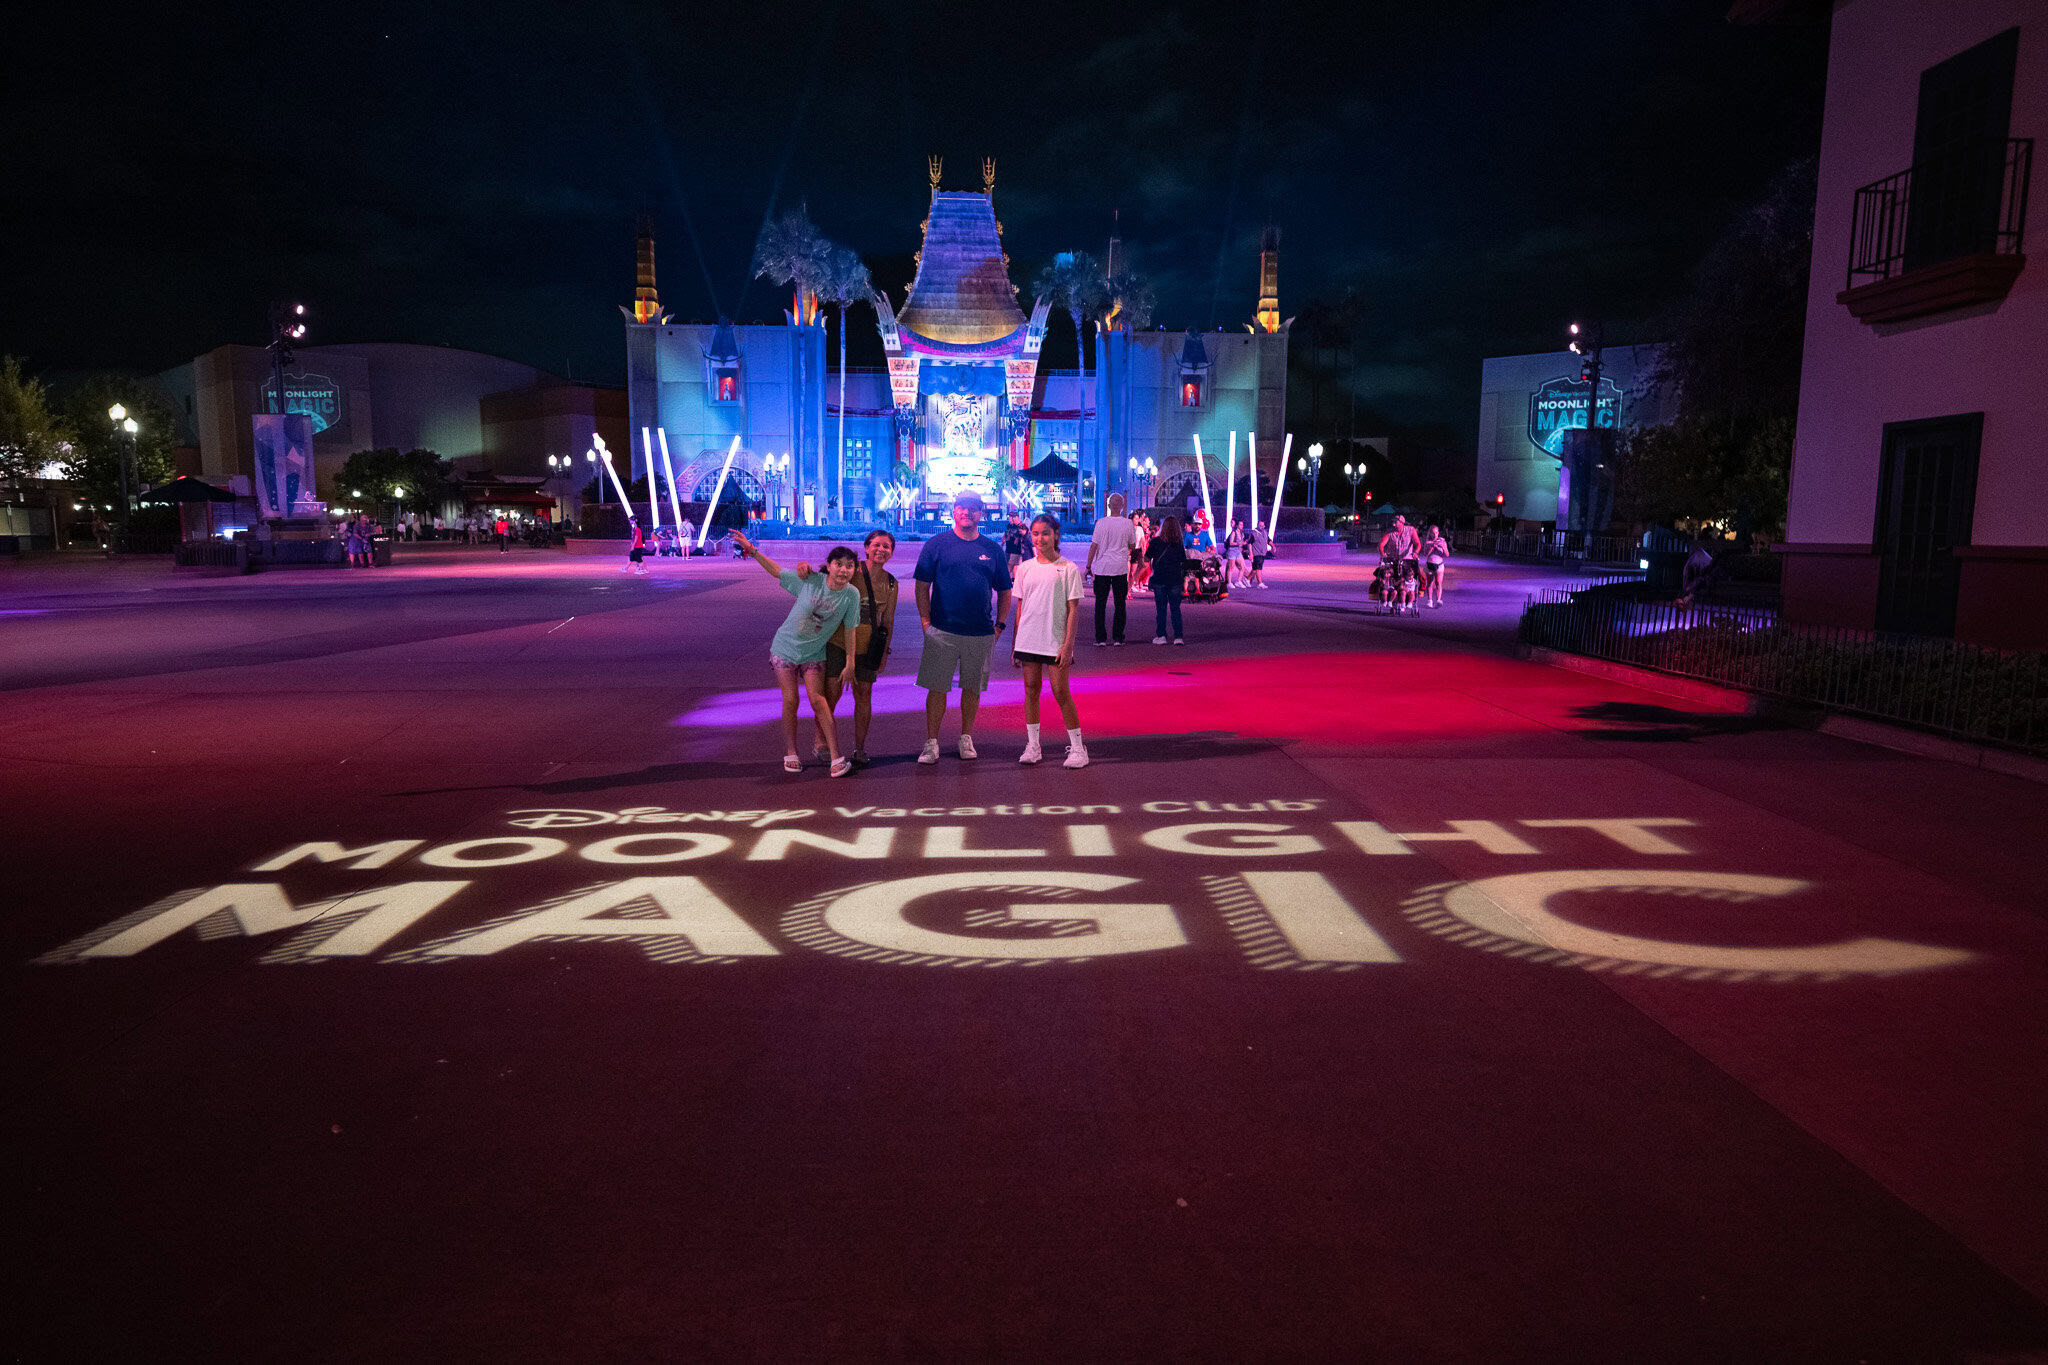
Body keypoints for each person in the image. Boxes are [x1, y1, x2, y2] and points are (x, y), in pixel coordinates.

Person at [733, 530, 860, 777]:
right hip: (785, 649)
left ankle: (836, 757)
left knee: (818, 701)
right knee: (791, 700)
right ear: (829, 567)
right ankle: (791, 752)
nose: (844, 570)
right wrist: (752, 548)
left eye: (850, 566)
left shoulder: (851, 595)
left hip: (813, 653)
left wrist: (850, 662)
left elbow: (850, 629)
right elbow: (777, 571)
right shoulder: (812, 581)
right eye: (839, 565)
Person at [913, 490, 1012, 764]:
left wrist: (1000, 626)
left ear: (981, 513)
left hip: (980, 632)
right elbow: (922, 586)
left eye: (973, 508)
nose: (966, 512)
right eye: (961, 508)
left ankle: (966, 737)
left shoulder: (992, 550)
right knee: (937, 687)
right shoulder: (936, 545)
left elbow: (1005, 590)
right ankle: (931, 741)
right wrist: (925, 622)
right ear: (953, 511)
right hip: (942, 630)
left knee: (972, 688)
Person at [803, 529, 898, 769]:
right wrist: (803, 568)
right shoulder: (853, 571)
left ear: (891, 553)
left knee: (864, 696)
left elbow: (888, 621)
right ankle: (821, 741)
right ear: (866, 548)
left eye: (886, 546)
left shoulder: (890, 582)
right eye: (876, 545)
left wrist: (885, 653)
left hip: (868, 649)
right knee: (831, 696)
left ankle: (860, 748)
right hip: (838, 644)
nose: (881, 550)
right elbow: (822, 579)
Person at [1010, 513, 1089, 768]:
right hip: (1028, 639)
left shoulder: (1068, 568)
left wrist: (1068, 645)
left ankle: (1078, 748)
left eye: (1045, 533)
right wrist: (1015, 645)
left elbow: (1073, 610)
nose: (1040, 538)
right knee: (1031, 690)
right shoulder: (1024, 568)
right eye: (1035, 533)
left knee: (1060, 692)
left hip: (1055, 641)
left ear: (1055, 534)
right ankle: (1033, 746)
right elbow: (1020, 608)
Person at [1085, 492, 1137, 646]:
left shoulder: (1100, 523)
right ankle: (1118, 637)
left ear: (1108, 506)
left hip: (1102, 568)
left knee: (1100, 604)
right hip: (1120, 568)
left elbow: (1094, 546)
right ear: (1121, 507)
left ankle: (1100, 638)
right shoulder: (1128, 524)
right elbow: (1132, 545)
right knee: (1120, 604)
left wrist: (1088, 566)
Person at [1147, 514, 1188, 645]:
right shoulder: (1179, 544)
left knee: (1161, 609)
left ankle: (1161, 635)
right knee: (1176, 609)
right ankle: (1178, 636)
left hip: (1160, 578)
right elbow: (1183, 561)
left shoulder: (1155, 542)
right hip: (1175, 579)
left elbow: (1146, 558)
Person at [1420, 524, 1450, 608]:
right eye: (1433, 533)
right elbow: (1425, 554)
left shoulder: (1442, 540)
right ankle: (1430, 601)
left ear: (1438, 532)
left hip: (1439, 565)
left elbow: (1447, 554)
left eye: (1436, 532)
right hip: (1430, 564)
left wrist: (1443, 547)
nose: (1435, 534)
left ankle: (1438, 600)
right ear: (1430, 534)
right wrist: (1432, 547)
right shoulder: (1428, 542)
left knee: (1438, 583)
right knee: (1429, 584)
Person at [1225, 519, 1248, 589]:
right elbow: (1231, 543)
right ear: (1237, 525)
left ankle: (1239, 581)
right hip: (1232, 551)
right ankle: (1229, 583)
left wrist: (1244, 544)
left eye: (1242, 525)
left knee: (1242, 567)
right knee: (1231, 567)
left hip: (1238, 551)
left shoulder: (1242, 533)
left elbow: (1242, 542)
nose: (1242, 526)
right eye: (1240, 525)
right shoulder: (1234, 532)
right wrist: (1240, 543)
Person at [1248, 519, 1271, 588]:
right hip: (1256, 553)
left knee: (1255, 569)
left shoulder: (1265, 532)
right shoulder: (1254, 533)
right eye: (1260, 525)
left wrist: (1273, 546)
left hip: (1262, 553)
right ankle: (1259, 583)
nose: (1261, 526)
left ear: (1264, 526)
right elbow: (1250, 544)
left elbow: (1268, 540)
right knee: (1258, 568)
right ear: (1258, 525)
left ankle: (1247, 579)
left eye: (1262, 525)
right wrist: (1251, 553)